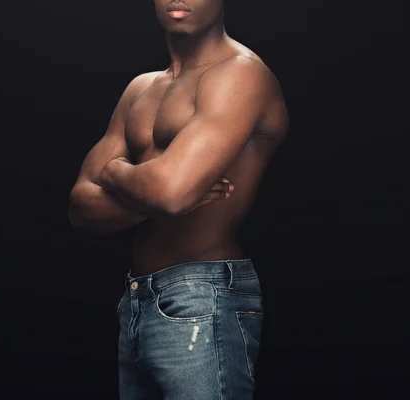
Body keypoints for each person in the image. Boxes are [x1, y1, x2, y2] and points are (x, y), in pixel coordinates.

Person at [68, 0, 288, 398]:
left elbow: (170, 193)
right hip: (135, 299)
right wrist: (157, 189)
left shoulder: (240, 74)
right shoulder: (140, 88)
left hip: (202, 296)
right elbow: (81, 209)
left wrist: (115, 171)